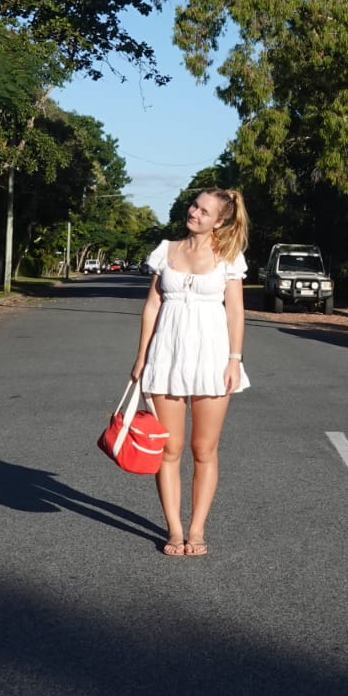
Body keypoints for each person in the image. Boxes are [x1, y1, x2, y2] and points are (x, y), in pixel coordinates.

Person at [129, 187, 250, 557]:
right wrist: (141, 356)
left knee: (204, 449)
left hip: (212, 358)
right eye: (194, 206)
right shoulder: (166, 250)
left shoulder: (229, 256)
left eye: (204, 211)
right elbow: (153, 305)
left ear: (221, 220)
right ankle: (174, 530)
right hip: (166, 356)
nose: (194, 213)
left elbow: (235, 311)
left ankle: (197, 530)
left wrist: (234, 359)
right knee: (169, 448)